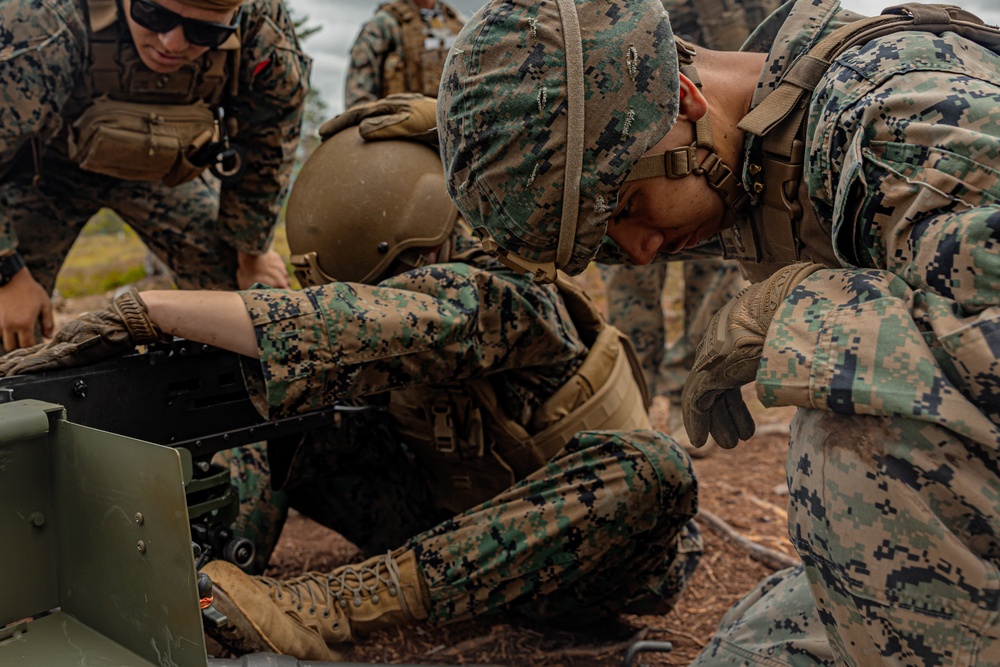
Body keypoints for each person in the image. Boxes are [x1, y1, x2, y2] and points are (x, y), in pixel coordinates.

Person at [0, 107, 703, 661]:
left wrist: (150, 310)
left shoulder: (515, 298)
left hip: (583, 568)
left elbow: (386, 322)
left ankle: (327, 606)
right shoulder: (436, 276)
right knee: (281, 396)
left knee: (655, 467)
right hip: (450, 530)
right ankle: (206, 581)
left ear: (426, 250)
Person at [437, 0, 1000, 664]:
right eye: (609, 242)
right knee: (748, 652)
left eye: (625, 207)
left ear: (682, 98)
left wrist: (792, 306)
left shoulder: (896, 114)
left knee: (853, 427)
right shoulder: (743, 145)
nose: (643, 251)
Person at [0, 0, 310, 351]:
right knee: (7, 325)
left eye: (204, 31)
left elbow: (267, 142)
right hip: (50, 173)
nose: (172, 44)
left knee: (243, 310)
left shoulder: (262, 28)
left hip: (167, 173)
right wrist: (7, 274)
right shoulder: (40, 18)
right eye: (155, 15)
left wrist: (251, 252)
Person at [598, 0, 783, 457]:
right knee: (631, 279)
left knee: (712, 286)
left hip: (726, 146)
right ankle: (635, 409)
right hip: (648, 148)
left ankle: (686, 398)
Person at [344, 0, 464, 109]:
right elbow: (359, 97)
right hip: (400, 123)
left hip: (451, 125)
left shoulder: (459, 25)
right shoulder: (384, 25)